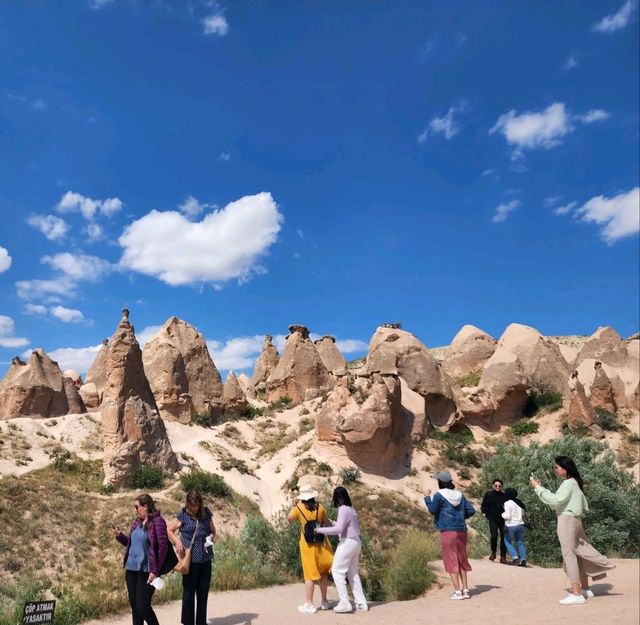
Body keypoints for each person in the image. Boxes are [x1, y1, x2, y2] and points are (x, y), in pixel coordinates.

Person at [531, 455, 615, 605]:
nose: (555, 470)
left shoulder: (568, 483)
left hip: (566, 520)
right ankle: (585, 588)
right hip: (576, 520)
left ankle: (576, 593)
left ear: (564, 468)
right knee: (579, 552)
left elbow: (555, 501)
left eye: (556, 467)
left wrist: (538, 488)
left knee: (569, 554)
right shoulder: (575, 482)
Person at [112, 493, 168, 625]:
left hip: (146, 571)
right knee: (136, 608)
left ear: (145, 507)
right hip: (131, 570)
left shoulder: (157, 522)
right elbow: (132, 544)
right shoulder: (137, 522)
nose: (135, 510)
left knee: (143, 607)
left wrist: (155, 571)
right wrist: (120, 537)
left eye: (136, 507)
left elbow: (163, 548)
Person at [314, 486, 368, 614]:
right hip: (356, 542)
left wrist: (319, 530)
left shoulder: (343, 509)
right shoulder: (351, 509)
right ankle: (361, 603)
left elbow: (338, 530)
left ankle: (345, 603)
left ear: (336, 498)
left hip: (347, 543)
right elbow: (343, 525)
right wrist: (332, 522)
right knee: (353, 573)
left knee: (337, 571)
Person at [167, 489, 217, 625]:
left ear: (200, 503)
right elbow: (169, 530)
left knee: (203, 593)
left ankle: (201, 622)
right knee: (188, 593)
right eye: (191, 505)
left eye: (196, 505)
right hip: (190, 560)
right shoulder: (183, 514)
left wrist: (211, 538)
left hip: (205, 559)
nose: (194, 508)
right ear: (188, 504)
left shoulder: (206, 513)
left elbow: (213, 531)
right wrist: (177, 542)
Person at [424, 471, 476, 600]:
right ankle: (465, 590)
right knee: (461, 559)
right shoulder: (460, 495)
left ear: (440, 482)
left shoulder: (439, 495)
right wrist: (460, 517)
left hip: (448, 530)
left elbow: (433, 510)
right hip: (461, 530)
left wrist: (427, 498)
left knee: (450, 560)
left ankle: (457, 592)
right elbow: (471, 510)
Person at [287, 487, 334, 614]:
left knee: (309, 575)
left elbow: (289, 519)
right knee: (323, 573)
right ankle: (324, 601)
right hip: (321, 544)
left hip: (307, 545)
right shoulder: (320, 507)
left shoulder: (299, 508)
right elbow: (327, 524)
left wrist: (293, 505)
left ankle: (309, 604)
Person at [481, 478, 507, 563]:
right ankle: (493, 553)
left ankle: (503, 556)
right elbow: (484, 504)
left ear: (502, 487)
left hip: (503, 519)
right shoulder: (489, 494)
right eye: (496, 485)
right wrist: (484, 512)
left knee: (504, 537)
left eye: (499, 486)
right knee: (494, 535)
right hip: (492, 518)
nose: (497, 487)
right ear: (493, 486)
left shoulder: (504, 496)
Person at [502, 488, 527, 567]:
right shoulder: (519, 503)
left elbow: (508, 516)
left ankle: (515, 558)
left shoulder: (507, 503)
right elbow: (522, 514)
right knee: (520, 542)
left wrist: (502, 514)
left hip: (511, 525)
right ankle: (523, 560)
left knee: (507, 541)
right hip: (520, 524)